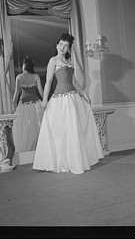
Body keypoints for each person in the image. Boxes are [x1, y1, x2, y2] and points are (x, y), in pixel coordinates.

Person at [33, 33, 104, 174]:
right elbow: (47, 82)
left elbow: (74, 82)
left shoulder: (69, 62)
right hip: (60, 99)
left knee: (74, 129)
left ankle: (76, 160)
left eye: (66, 46)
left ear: (68, 49)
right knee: (62, 131)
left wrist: (84, 95)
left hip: (73, 98)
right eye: (61, 44)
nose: (63, 48)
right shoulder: (53, 60)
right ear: (56, 45)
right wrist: (45, 100)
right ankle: (62, 161)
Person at [12, 55, 44, 154]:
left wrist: (13, 105)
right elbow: (41, 92)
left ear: (24, 66)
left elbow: (17, 93)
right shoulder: (36, 76)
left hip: (23, 105)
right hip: (35, 104)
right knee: (37, 127)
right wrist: (46, 102)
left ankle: (26, 151)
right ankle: (38, 149)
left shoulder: (19, 77)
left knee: (23, 128)